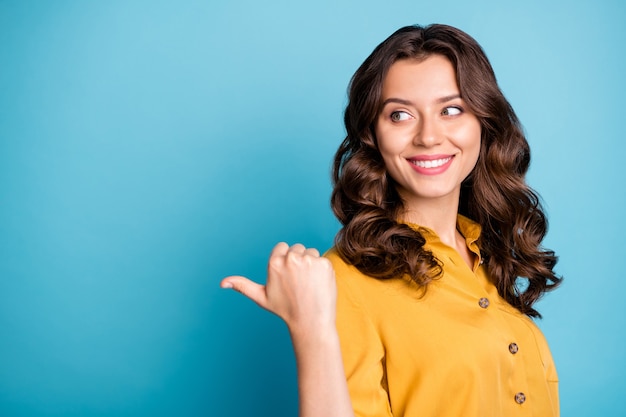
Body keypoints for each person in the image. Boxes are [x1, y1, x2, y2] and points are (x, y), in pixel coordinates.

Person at [222, 23, 562, 417]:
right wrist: (311, 329)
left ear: (483, 123)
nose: (429, 136)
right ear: (374, 135)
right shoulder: (342, 281)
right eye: (400, 115)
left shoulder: (490, 258)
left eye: (451, 110)